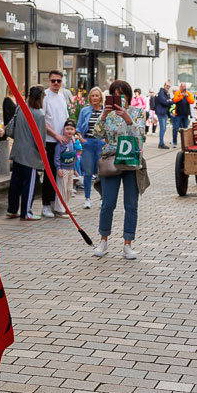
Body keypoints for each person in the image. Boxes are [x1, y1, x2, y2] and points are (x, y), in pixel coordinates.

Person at [92, 79, 145, 260]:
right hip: (111, 160)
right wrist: (104, 115)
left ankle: (127, 244)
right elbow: (96, 134)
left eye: (121, 94)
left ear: (128, 95)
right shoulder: (107, 114)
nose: (118, 98)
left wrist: (128, 119)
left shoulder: (137, 112)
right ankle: (103, 240)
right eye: (114, 95)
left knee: (131, 204)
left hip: (131, 160)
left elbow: (141, 135)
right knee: (107, 203)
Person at [6, 86, 46, 220]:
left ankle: (12, 210)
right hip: (31, 155)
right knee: (28, 184)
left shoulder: (20, 109)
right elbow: (40, 139)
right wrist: (43, 155)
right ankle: (26, 212)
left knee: (15, 183)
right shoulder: (39, 115)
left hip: (17, 151)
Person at [40, 70, 72, 218]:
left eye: (58, 81)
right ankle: (46, 205)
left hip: (62, 142)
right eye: (53, 81)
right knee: (50, 173)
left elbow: (66, 119)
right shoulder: (45, 96)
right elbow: (42, 121)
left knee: (60, 174)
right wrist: (55, 135)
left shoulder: (61, 96)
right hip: (50, 141)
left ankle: (56, 204)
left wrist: (69, 135)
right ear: (49, 81)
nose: (56, 83)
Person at [76, 87, 104, 209]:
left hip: (101, 143)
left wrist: (105, 140)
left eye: (97, 95)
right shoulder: (85, 110)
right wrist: (82, 139)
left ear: (100, 97)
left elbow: (110, 127)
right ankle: (87, 198)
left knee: (101, 172)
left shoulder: (105, 110)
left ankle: (103, 198)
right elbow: (78, 128)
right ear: (90, 98)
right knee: (87, 172)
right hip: (88, 143)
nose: (94, 98)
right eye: (92, 96)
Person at [53, 118, 80, 215]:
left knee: (69, 190)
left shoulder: (73, 141)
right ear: (63, 130)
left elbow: (75, 155)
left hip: (70, 169)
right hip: (63, 169)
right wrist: (58, 168)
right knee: (62, 189)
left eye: (71, 129)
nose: (69, 131)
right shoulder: (61, 143)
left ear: (75, 131)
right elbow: (57, 157)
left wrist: (75, 169)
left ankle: (65, 207)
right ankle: (59, 209)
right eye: (67, 129)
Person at [171, 81, 194, 146]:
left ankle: (185, 143)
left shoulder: (189, 93)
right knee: (175, 128)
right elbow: (175, 100)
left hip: (186, 114)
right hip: (178, 114)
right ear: (180, 87)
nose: (183, 87)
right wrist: (181, 96)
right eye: (182, 86)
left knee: (185, 129)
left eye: (184, 86)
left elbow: (192, 101)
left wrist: (187, 96)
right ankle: (174, 142)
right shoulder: (177, 93)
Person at [154, 82, 172, 149]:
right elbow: (164, 102)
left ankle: (161, 143)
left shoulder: (166, 93)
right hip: (161, 112)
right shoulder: (161, 92)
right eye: (167, 85)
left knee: (164, 128)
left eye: (169, 86)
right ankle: (161, 143)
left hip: (165, 112)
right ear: (164, 85)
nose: (168, 87)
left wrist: (169, 99)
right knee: (163, 128)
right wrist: (170, 101)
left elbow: (168, 102)